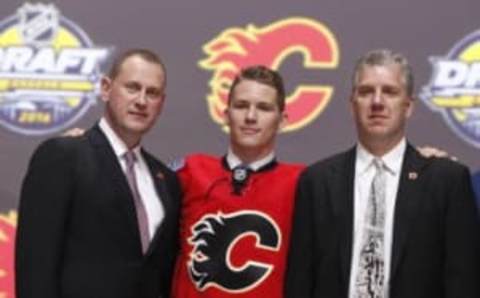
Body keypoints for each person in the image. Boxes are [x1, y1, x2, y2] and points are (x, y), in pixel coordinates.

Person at [285, 49, 480, 298]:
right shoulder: (317, 181)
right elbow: (300, 281)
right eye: (366, 92)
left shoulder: (447, 180)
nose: (377, 102)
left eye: (389, 91)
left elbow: (463, 281)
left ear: (408, 106)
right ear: (352, 104)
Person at [15, 49, 181, 298]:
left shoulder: (166, 181)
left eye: (152, 93)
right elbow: (36, 265)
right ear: (106, 88)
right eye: (132, 87)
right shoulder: (64, 156)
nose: (141, 100)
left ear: (162, 103)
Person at [170, 65, 304, 298]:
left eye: (263, 108)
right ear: (226, 114)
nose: (250, 117)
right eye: (241, 106)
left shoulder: (304, 183)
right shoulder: (189, 171)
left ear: (282, 120)